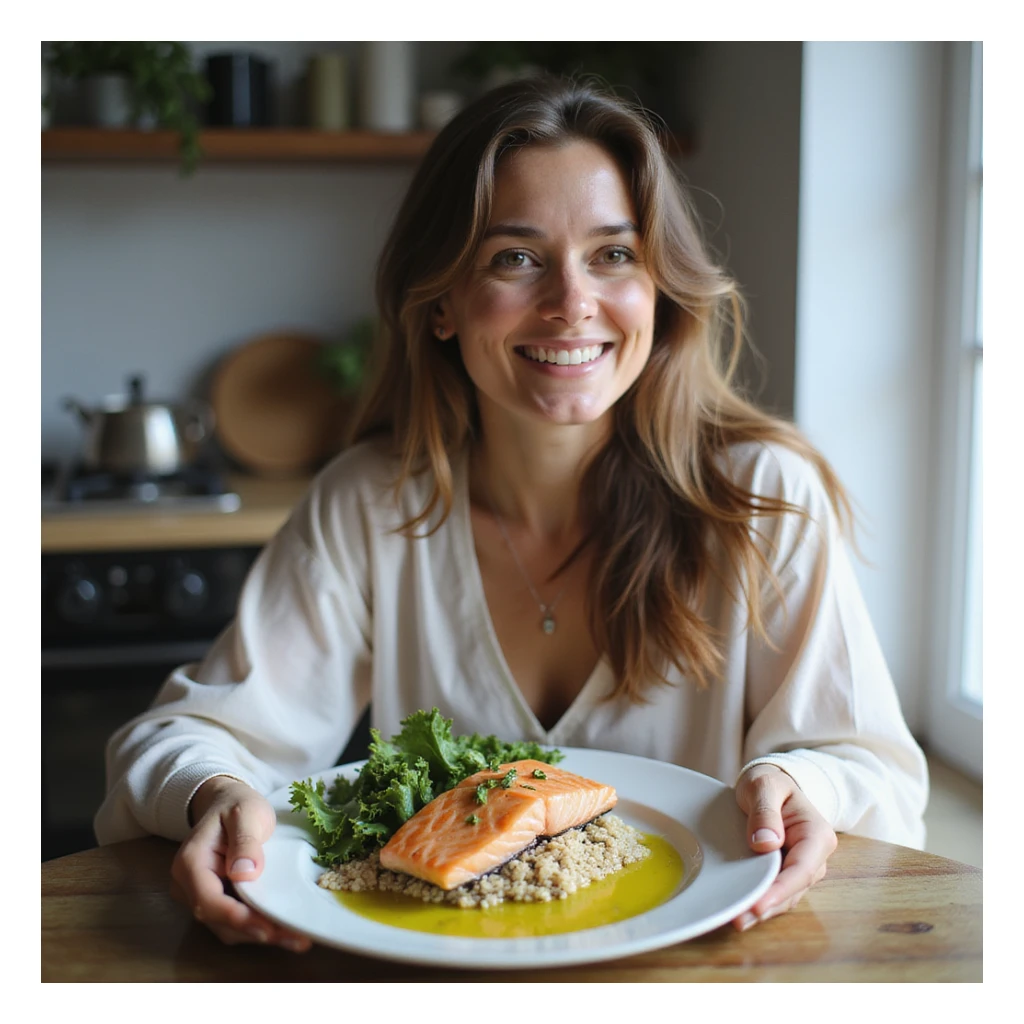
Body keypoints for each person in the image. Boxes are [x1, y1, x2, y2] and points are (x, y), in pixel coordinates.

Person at [94, 75, 928, 952]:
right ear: (443, 302)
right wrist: (215, 792)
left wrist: (803, 786)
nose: (572, 302)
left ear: (661, 288)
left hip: (705, 974)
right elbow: (188, 738)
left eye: (613, 254)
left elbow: (873, 772)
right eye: (515, 258)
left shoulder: (763, 498)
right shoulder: (371, 502)